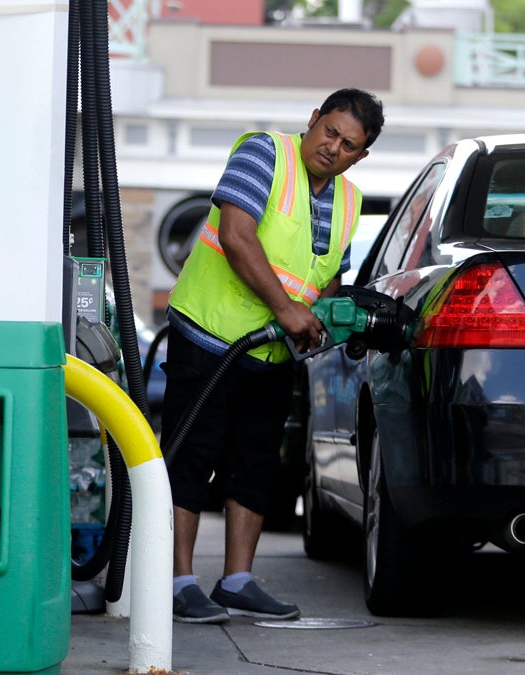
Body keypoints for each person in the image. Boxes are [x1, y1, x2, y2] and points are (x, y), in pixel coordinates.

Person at [160, 88, 384, 624]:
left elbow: (325, 275)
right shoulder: (265, 153)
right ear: (313, 119)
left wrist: (323, 320)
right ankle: (175, 582)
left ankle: (237, 581)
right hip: (211, 335)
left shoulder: (350, 201)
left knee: (255, 464)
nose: (333, 148)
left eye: (348, 144)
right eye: (329, 131)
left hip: (273, 354)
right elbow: (237, 237)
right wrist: (288, 312)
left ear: (361, 155)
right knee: (191, 456)